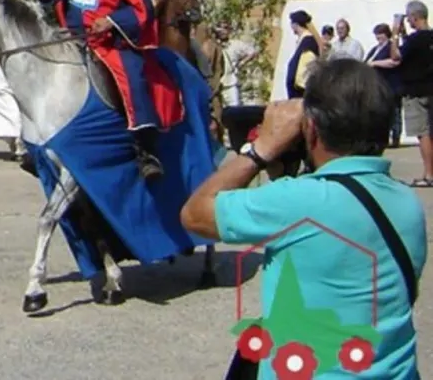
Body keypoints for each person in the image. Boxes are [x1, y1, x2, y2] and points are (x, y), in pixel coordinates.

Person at [181, 60, 425, 380]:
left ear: (310, 128)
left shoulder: (296, 202)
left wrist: (261, 148)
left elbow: (194, 214)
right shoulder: (408, 202)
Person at [35, 0, 170, 180]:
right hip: (72, 40)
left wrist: (110, 21)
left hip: (109, 44)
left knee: (131, 76)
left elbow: (142, 10)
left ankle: (145, 150)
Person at [398, 0, 433, 188]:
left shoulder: (414, 40)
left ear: (414, 17)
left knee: (423, 133)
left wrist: (396, 33)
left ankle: (429, 174)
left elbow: (397, 56)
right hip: (430, 89)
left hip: (416, 91)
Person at [365, 24, 403, 149]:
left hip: (391, 85)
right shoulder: (375, 49)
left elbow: (394, 62)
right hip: (378, 86)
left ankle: (396, 138)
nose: (378, 37)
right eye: (376, 35)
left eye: (380, 34)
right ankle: (383, 138)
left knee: (394, 113)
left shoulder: (391, 47)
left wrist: (375, 63)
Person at [286, 10, 322, 99]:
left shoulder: (308, 41)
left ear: (295, 24)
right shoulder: (303, 41)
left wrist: (301, 86)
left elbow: (307, 67)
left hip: (301, 93)